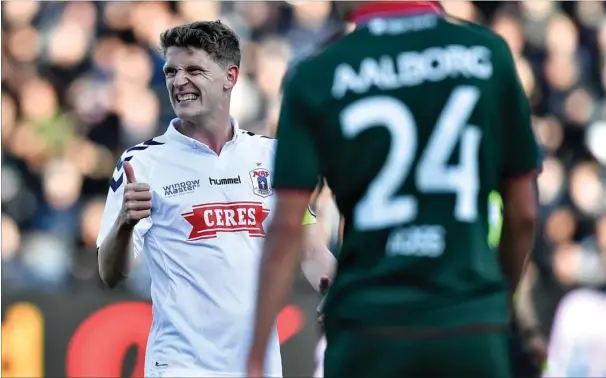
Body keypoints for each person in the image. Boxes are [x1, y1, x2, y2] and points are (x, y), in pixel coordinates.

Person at [248, 2, 539, 377]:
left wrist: (255, 356)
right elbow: (524, 214)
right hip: (469, 324)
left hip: (370, 328)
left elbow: (288, 224)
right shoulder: (487, 53)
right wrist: (500, 307)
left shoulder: (317, 72)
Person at [96, 20, 335, 378]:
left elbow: (312, 251)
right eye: (171, 71)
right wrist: (124, 224)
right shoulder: (141, 163)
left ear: (230, 76)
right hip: (181, 365)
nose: (179, 81)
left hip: (259, 365)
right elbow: (110, 273)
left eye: (194, 70)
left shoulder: (272, 156)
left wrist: (336, 290)